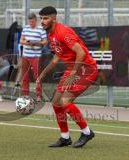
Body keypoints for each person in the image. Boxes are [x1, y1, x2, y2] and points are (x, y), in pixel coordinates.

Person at [37, 6, 98, 148]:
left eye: (45, 18)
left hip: (86, 69)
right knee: (56, 102)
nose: (42, 21)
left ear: (54, 18)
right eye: (41, 18)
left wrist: (72, 73)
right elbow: (57, 57)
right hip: (73, 69)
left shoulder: (63, 31)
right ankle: (65, 137)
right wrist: (43, 74)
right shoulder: (50, 34)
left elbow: (81, 53)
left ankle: (87, 132)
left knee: (65, 100)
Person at [20, 13, 47, 101]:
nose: (31, 23)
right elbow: (21, 40)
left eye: (33, 21)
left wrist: (36, 43)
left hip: (36, 56)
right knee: (25, 76)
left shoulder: (41, 29)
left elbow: (44, 42)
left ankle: (39, 95)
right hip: (25, 55)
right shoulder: (26, 28)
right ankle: (25, 95)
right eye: (30, 22)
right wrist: (27, 42)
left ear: (36, 20)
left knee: (37, 76)